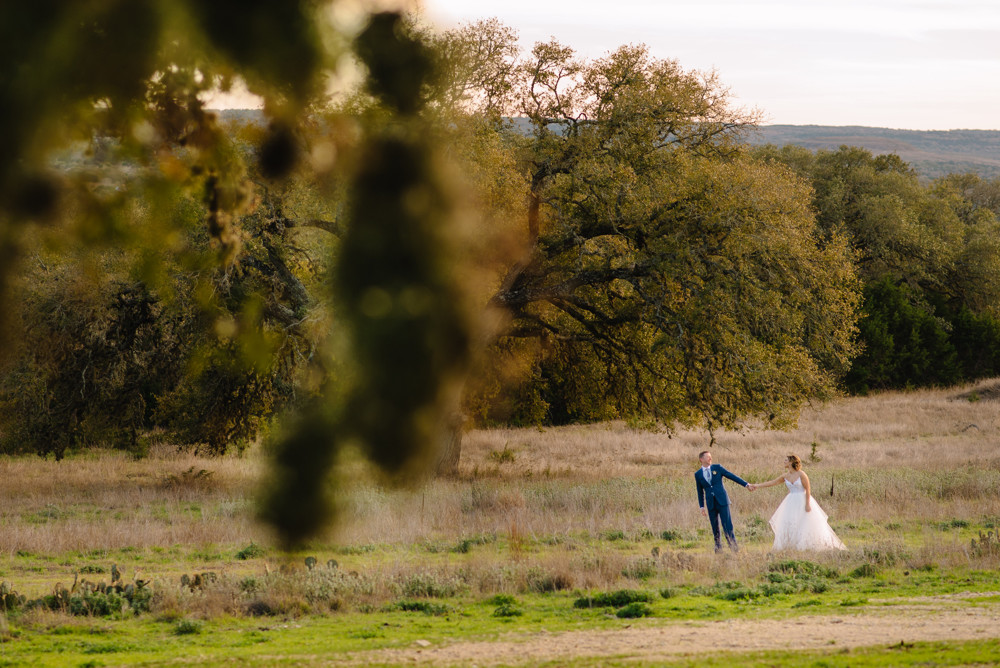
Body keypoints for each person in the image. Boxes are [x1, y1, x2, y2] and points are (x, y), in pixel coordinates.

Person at [750, 454, 846, 551]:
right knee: (790, 521)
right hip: (791, 501)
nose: (784, 462)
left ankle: (807, 544)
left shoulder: (801, 474)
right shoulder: (785, 476)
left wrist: (807, 504)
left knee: (804, 522)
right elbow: (772, 483)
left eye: (786, 460)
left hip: (802, 499)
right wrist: (756, 485)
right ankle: (791, 544)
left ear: (791, 462)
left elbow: (808, 489)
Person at [695, 450, 752, 553]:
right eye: (708, 457)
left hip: (722, 501)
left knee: (727, 525)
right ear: (701, 459)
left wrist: (746, 484)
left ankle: (733, 548)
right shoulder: (698, 474)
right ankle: (718, 548)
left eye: (710, 457)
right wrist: (701, 507)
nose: (710, 459)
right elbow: (700, 491)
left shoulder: (718, 468)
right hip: (711, 503)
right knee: (714, 526)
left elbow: (731, 476)